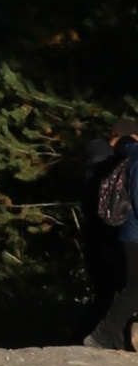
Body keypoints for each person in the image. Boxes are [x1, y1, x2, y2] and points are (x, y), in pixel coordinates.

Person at [75, 126, 138, 350]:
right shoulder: (131, 160)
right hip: (128, 235)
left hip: (120, 234)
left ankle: (109, 338)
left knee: (121, 289)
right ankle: (99, 337)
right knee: (127, 290)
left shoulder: (123, 159)